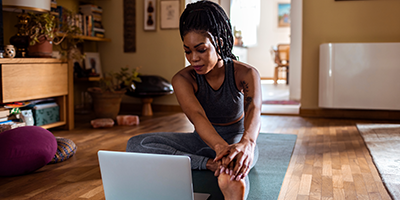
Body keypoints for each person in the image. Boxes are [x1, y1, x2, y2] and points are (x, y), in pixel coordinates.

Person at [126, 1, 262, 199]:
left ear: (219, 43)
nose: (193, 58)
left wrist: (247, 144)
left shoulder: (246, 73)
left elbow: (254, 110)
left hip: (237, 139)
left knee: (233, 168)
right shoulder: (183, 79)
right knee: (136, 144)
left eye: (201, 49)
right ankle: (209, 164)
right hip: (201, 141)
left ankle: (229, 171)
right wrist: (219, 149)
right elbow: (197, 117)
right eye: (187, 51)